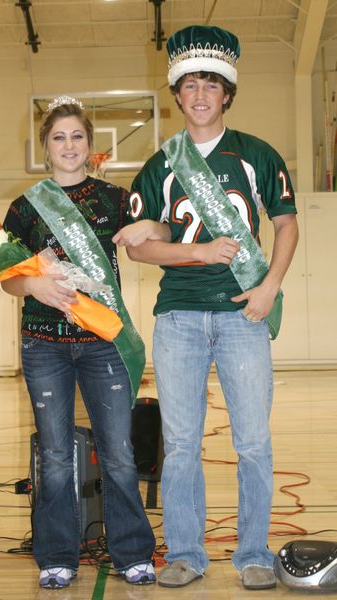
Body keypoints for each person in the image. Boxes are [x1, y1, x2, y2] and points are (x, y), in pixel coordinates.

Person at [113, 26, 299, 590]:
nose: (199, 94)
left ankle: (255, 553)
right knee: (183, 445)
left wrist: (269, 287)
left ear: (226, 93)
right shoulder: (160, 164)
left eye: (210, 84)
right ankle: (188, 553)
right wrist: (184, 246)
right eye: (189, 83)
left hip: (244, 314)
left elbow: (287, 224)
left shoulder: (258, 154)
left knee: (252, 443)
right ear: (176, 92)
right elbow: (143, 246)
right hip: (179, 319)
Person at [1, 96, 167, 589]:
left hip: (102, 344)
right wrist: (32, 285)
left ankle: (134, 552)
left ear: (91, 146)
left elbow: (157, 230)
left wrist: (150, 225)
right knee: (53, 454)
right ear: (45, 148)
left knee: (117, 451)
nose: (68, 145)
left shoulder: (116, 200)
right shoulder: (25, 207)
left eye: (77, 137)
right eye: (59, 137)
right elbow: (6, 276)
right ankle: (56, 555)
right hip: (43, 345)